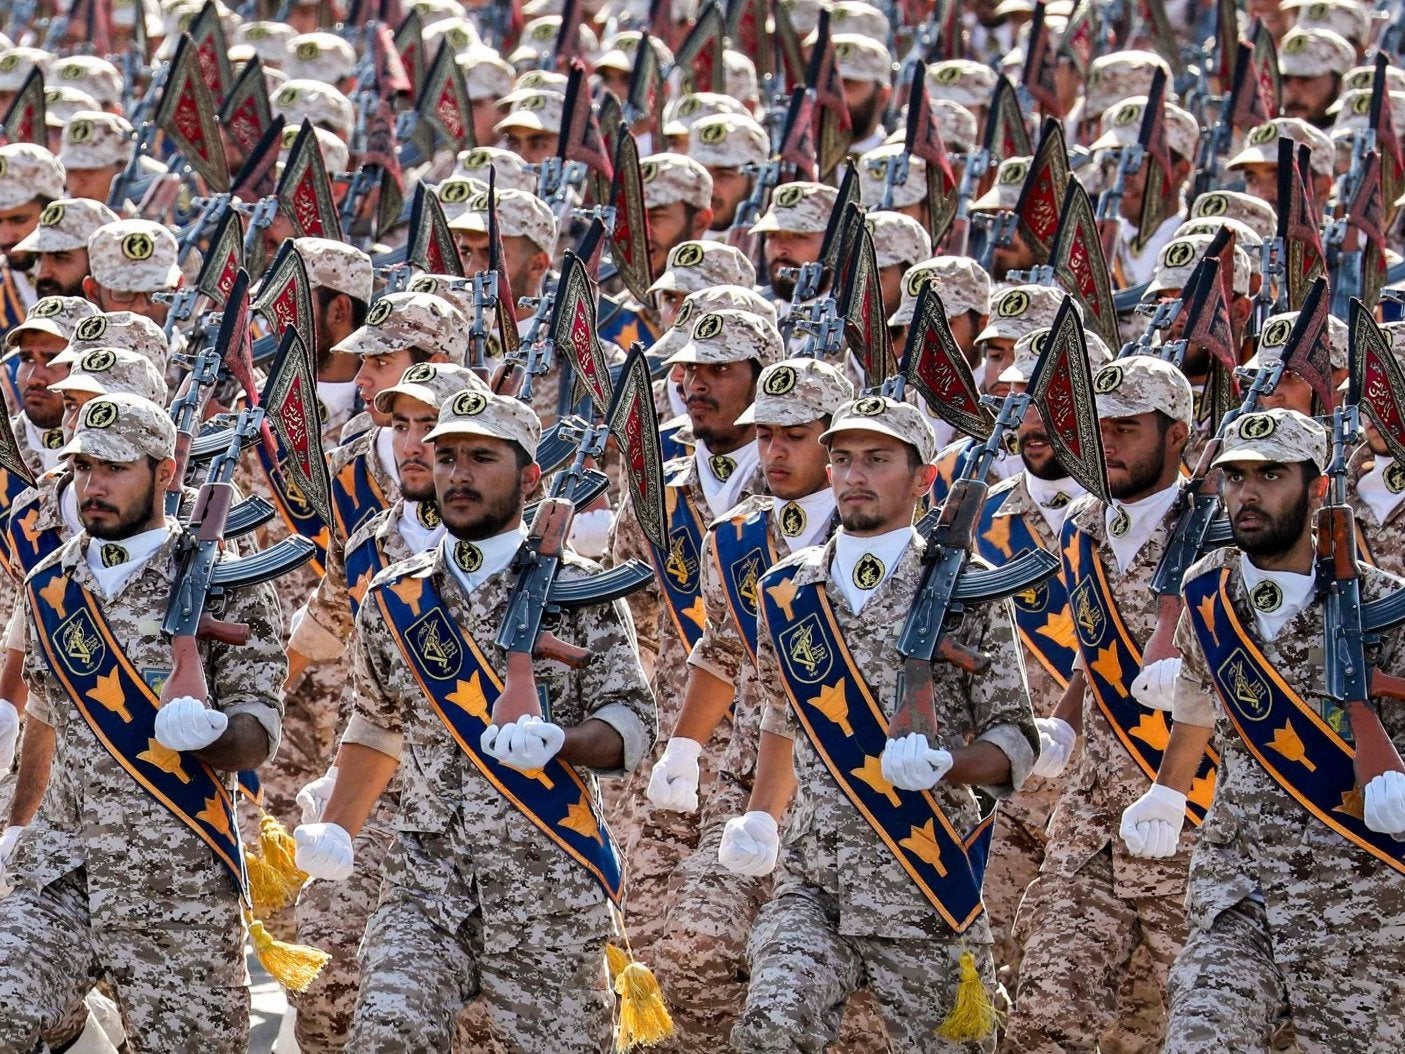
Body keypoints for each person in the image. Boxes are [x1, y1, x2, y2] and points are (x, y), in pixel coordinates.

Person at [294, 389, 656, 1053]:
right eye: (447, 457)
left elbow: (630, 719)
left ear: (529, 475)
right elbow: (376, 725)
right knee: (385, 1033)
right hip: (426, 880)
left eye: (481, 458)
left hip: (547, 876)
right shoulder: (395, 595)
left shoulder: (578, 590)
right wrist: (337, 827)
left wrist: (561, 742)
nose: (457, 474)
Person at [720, 394, 1037, 1052]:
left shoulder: (965, 585)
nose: (854, 475)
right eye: (840, 459)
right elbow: (783, 714)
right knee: (771, 1023)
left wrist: (946, 762)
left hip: (925, 878)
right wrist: (759, 816)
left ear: (923, 478)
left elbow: (1013, 738)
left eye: (876, 459)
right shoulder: (784, 590)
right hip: (816, 879)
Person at [0, 393, 286, 1052]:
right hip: (61, 872)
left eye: (116, 467)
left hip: (176, 885)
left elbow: (258, 731)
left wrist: (212, 733)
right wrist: (20, 823)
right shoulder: (50, 585)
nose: (93, 485)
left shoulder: (227, 583)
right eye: (84, 467)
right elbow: (48, 716)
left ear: (165, 472)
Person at [1121, 408, 1405, 1052]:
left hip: (1358, 904)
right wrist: (1168, 791)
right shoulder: (1208, 589)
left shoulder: (1386, 605)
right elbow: (1199, 699)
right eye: (1234, 476)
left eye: (1270, 475)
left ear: (1319, 488)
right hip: (1235, 887)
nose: (1246, 494)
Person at [646, 359, 890, 1050]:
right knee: (695, 950)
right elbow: (721, 650)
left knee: (851, 997)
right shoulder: (735, 534)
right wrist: (685, 748)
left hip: (858, 791)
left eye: (794, 436)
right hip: (747, 778)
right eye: (764, 436)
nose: (774, 453)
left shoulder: (882, 534)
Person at [1003, 355, 1212, 1053]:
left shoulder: (1220, 532)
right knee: (1045, 1014)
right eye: (1098, 427)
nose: (1108, 443)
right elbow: (1094, 653)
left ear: (1176, 434)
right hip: (1090, 815)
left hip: (1195, 820)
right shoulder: (1080, 527)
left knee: (1194, 1025)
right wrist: (1058, 726)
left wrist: (1192, 678)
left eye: (1127, 427)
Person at [290, 362, 492, 1054]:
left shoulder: (522, 549)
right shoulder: (372, 543)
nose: (410, 444)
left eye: (428, 428)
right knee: (323, 966)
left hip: (493, 805)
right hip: (380, 798)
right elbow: (318, 636)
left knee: (477, 1017)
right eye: (400, 426)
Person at [608, 308, 781, 956]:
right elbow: (627, 615)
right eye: (687, 369)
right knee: (641, 941)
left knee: (726, 952)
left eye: (719, 369)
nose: (694, 384)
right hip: (677, 744)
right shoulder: (662, 488)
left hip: (772, 751)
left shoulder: (804, 488)